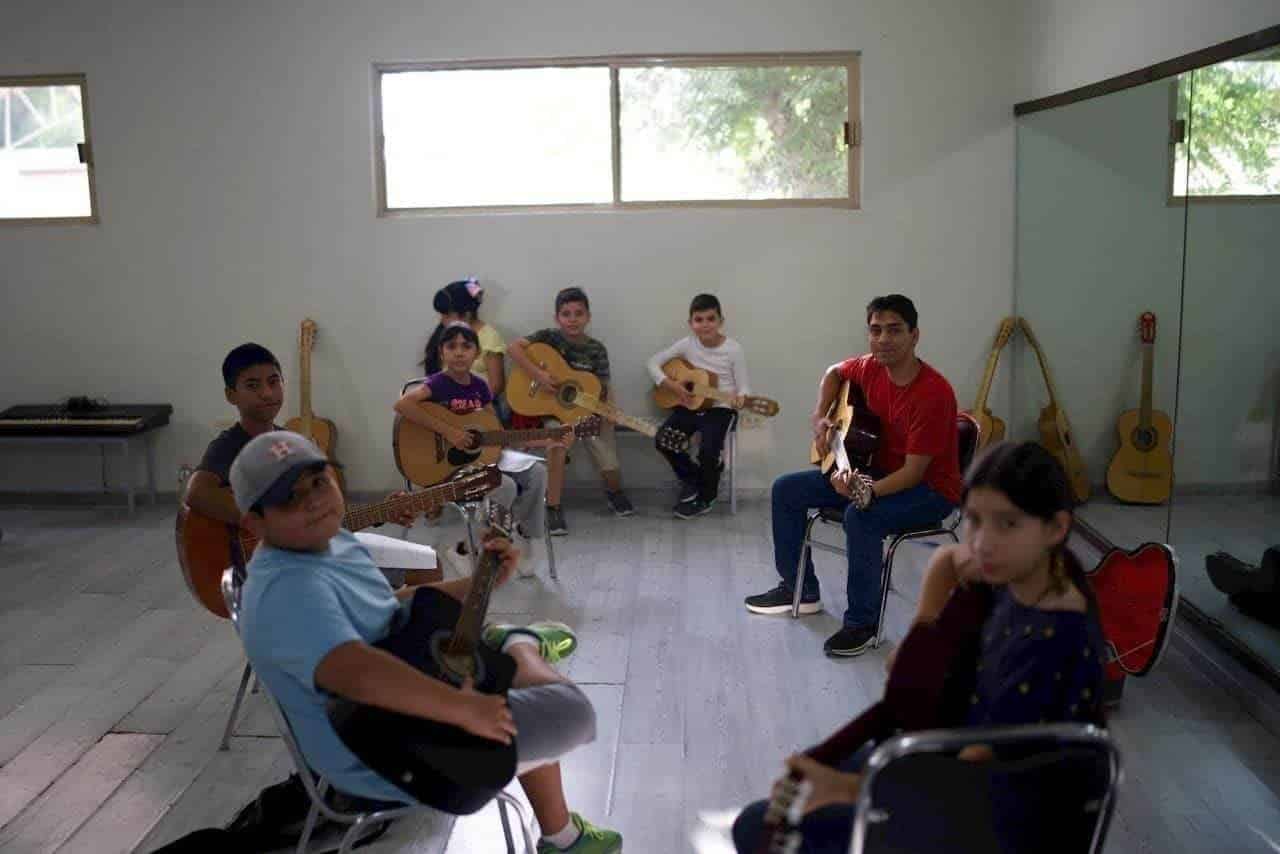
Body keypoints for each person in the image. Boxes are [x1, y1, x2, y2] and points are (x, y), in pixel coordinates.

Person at [232, 430, 623, 853]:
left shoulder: (326, 539)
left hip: (387, 707)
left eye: (318, 481)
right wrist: (463, 709)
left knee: (506, 684)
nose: (313, 500)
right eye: (289, 497)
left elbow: (384, 607)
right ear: (254, 522)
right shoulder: (287, 589)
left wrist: (479, 583)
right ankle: (519, 644)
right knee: (571, 715)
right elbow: (355, 673)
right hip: (374, 757)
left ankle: (565, 839)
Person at [732, 441, 1106, 852]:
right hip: (940, 764)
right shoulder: (1019, 575)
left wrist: (848, 788)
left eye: (1007, 524)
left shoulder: (1054, 640)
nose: (982, 543)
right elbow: (908, 696)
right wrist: (823, 760)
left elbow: (979, 781)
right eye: (975, 521)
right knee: (767, 819)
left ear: (1056, 527)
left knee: (763, 831)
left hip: (992, 818)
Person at [745, 295, 962, 657]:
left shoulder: (933, 394)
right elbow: (834, 372)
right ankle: (800, 589)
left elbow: (912, 474)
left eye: (894, 331)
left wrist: (864, 491)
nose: (883, 339)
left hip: (930, 491)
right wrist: (821, 417)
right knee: (786, 489)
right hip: (877, 472)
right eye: (875, 331)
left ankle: (862, 624)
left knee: (860, 516)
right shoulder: (870, 368)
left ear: (915, 336)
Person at [397, 322, 568, 578]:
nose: (459, 352)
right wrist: (449, 432)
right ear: (441, 353)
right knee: (506, 486)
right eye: (451, 346)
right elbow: (403, 405)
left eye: (466, 346)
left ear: (476, 353)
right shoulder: (437, 384)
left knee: (537, 472)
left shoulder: (480, 387)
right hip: (450, 466)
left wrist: (546, 439)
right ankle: (466, 548)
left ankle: (525, 539)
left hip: (483, 458)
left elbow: (492, 431)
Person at [509, 286, 634, 532]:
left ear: (588, 317)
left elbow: (603, 387)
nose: (573, 319)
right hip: (554, 413)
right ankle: (552, 507)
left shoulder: (596, 349)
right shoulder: (549, 338)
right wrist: (540, 375)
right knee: (556, 444)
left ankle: (615, 491)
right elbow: (513, 348)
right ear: (557, 318)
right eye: (566, 314)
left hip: (587, 412)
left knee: (605, 449)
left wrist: (607, 412)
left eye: (579, 313)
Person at [645, 293, 751, 518]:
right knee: (663, 439)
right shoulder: (687, 344)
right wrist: (672, 386)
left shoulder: (733, 349)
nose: (705, 325)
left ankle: (706, 497)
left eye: (711, 319)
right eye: (699, 320)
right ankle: (694, 479)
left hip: (721, 407)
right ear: (691, 323)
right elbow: (653, 363)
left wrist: (741, 398)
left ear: (721, 321)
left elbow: (744, 388)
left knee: (708, 450)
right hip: (690, 403)